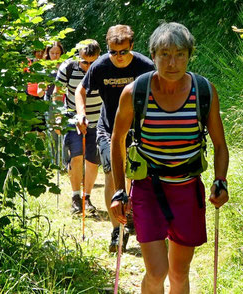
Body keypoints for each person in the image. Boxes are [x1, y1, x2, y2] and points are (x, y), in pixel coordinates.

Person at [110, 22, 229, 293]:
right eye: (164, 54)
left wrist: (220, 180)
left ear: (189, 55)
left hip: (187, 190)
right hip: (147, 190)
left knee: (178, 273)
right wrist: (119, 189)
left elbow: (220, 145)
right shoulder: (135, 93)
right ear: (152, 55)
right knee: (157, 271)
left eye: (180, 54)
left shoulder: (204, 91)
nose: (172, 62)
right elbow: (116, 140)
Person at [75, 24, 155, 252]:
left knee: (137, 175)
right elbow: (81, 90)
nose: (118, 57)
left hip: (138, 129)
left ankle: (133, 215)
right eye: (113, 52)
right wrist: (80, 113)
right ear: (107, 48)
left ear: (131, 46)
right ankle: (117, 230)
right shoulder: (100, 66)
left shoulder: (145, 66)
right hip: (108, 128)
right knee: (111, 174)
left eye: (123, 51)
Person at [55, 39, 102, 214]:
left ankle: (87, 197)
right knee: (76, 156)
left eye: (92, 62)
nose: (88, 66)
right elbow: (57, 94)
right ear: (78, 57)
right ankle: (76, 197)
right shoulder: (68, 67)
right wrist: (58, 117)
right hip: (72, 118)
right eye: (84, 62)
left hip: (98, 120)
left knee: (92, 160)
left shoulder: (103, 68)